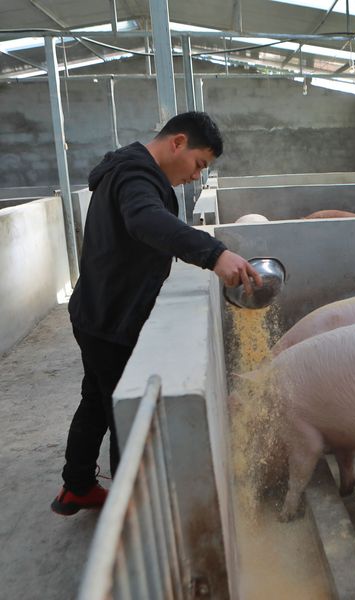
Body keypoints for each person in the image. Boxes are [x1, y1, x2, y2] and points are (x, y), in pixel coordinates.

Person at [51, 111, 261, 515]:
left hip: (96, 310)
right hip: (112, 319)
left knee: (97, 398)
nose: (197, 176)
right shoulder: (137, 176)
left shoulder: (130, 169)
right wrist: (214, 254)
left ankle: (76, 486)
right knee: (127, 421)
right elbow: (145, 219)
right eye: (199, 164)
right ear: (177, 143)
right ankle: (130, 520)